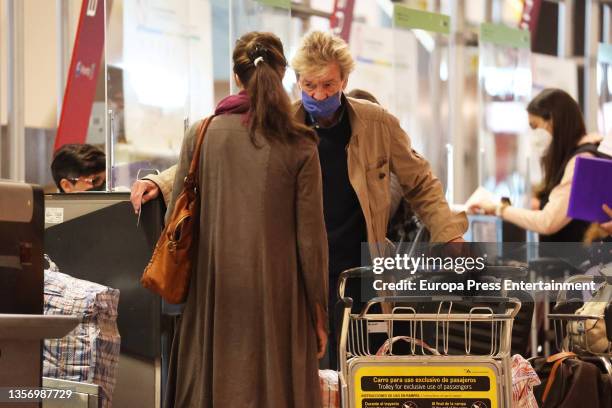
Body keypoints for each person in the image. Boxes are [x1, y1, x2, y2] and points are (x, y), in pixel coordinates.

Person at [132, 31, 468, 369]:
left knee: (364, 371)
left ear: (345, 80)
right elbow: (216, 152)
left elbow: (421, 180)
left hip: (363, 273)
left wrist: (448, 232)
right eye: (310, 86)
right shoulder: (282, 124)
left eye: (328, 86)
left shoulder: (376, 124)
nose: (319, 95)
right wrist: (158, 182)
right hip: (302, 274)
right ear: (295, 81)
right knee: (310, 372)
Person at [162, 32, 328, 408]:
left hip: (212, 295)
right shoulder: (299, 143)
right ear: (283, 73)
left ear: (236, 77)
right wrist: (318, 310)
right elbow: (311, 242)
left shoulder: (202, 134)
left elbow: (176, 220)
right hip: (279, 298)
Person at [470, 88, 604, 242]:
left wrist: (500, 209)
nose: (534, 135)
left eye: (534, 126)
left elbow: (548, 222)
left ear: (554, 121)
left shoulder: (583, 159)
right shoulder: (582, 154)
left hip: (575, 261)